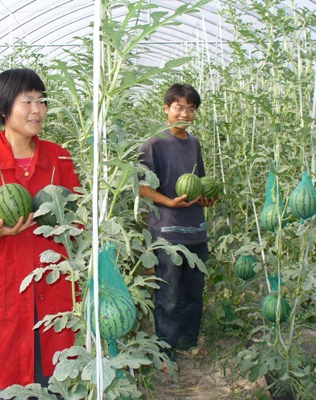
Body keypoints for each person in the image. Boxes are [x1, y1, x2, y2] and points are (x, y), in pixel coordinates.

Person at [0, 68, 81, 399]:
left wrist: (65, 223)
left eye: (42, 101)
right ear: (4, 108)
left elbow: (78, 215)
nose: (37, 110)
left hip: (55, 289)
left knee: (58, 381)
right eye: (27, 101)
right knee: (6, 386)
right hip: (5, 292)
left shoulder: (59, 159)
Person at [138, 83, 216, 363]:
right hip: (167, 232)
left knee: (192, 294)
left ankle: (187, 342)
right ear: (167, 108)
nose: (185, 114)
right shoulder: (153, 144)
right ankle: (165, 350)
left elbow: (199, 183)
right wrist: (169, 202)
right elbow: (142, 188)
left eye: (191, 109)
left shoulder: (194, 144)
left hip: (195, 231)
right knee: (168, 295)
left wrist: (206, 198)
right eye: (179, 107)